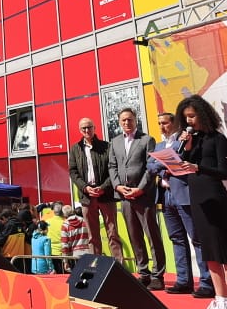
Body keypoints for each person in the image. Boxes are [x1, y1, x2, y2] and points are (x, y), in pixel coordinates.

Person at [178, 95, 227, 309]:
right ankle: (220, 298)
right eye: (186, 117)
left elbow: (222, 171)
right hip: (196, 198)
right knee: (208, 252)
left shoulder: (217, 138)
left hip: (214, 196)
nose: (189, 121)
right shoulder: (192, 140)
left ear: (202, 114)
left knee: (223, 249)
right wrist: (186, 145)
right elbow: (181, 162)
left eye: (192, 116)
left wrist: (198, 166)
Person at [150, 108, 214, 298]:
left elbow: (186, 161)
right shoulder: (160, 145)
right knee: (176, 238)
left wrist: (167, 165)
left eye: (166, 122)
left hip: (183, 193)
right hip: (166, 195)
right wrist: (165, 167)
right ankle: (183, 280)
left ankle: (206, 281)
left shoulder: (183, 140)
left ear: (175, 123)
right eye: (160, 123)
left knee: (195, 237)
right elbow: (150, 165)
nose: (162, 126)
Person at [107, 107, 167, 290]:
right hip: (124, 197)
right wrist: (117, 186)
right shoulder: (115, 142)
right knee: (134, 236)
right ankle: (144, 272)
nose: (127, 123)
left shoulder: (146, 140)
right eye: (123, 120)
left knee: (152, 235)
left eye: (130, 119)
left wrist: (140, 189)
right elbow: (112, 166)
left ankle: (158, 274)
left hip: (143, 196)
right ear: (119, 122)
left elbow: (151, 168)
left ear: (136, 120)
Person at [69, 118, 125, 261]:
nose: (87, 131)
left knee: (112, 232)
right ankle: (96, 266)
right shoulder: (75, 149)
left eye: (89, 127)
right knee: (92, 236)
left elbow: (113, 169)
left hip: (106, 195)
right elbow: (73, 172)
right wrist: (85, 187)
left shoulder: (107, 146)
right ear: (80, 130)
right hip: (87, 197)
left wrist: (103, 187)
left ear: (94, 128)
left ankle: (118, 266)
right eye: (83, 128)